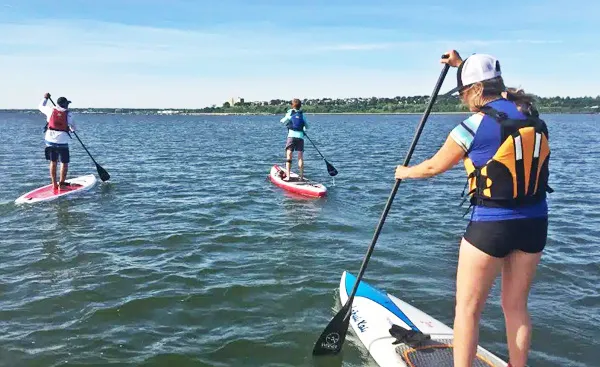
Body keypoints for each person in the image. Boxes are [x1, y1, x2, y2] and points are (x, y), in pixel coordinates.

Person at [394, 50, 551, 367]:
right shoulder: (531, 116)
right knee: (516, 306)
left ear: (476, 90)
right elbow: (503, 98)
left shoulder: (472, 125)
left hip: (491, 227)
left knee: (467, 309)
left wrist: (404, 172)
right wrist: (463, 64)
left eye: (464, 91)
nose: (463, 99)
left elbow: (433, 167)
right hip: (535, 223)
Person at [39, 93, 76, 191]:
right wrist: (70, 129)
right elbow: (73, 129)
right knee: (64, 163)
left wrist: (45, 98)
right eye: (67, 104)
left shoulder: (50, 110)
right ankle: (62, 184)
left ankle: (54, 184)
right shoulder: (69, 114)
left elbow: (40, 106)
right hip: (62, 142)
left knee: (53, 161)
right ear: (65, 105)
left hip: (49, 141)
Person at [280, 98, 308, 181]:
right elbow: (307, 127)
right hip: (300, 137)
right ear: (300, 106)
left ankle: (288, 177)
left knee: (289, 156)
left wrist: (288, 120)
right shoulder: (302, 115)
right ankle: (301, 177)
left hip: (291, 136)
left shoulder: (290, 113)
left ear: (292, 105)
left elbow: (282, 121)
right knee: (300, 157)